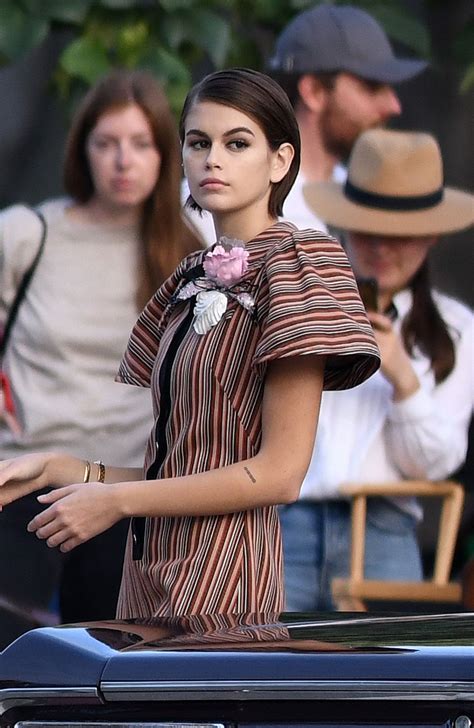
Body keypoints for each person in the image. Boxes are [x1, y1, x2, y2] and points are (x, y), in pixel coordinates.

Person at [0, 68, 380, 618]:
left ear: (280, 160)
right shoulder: (191, 275)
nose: (213, 159)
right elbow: (179, 467)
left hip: (226, 582)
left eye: (237, 143)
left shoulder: (299, 267)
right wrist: (66, 469)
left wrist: (117, 502)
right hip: (149, 571)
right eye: (199, 143)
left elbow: (279, 473)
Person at [0, 69, 202, 628]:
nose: (122, 160)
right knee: (14, 665)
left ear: (167, 154)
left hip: (126, 494)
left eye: (141, 144)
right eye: (106, 143)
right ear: (82, 148)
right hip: (21, 486)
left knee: (110, 675)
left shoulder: (192, 250)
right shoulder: (26, 234)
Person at [279, 127, 474, 611]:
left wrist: (402, 377)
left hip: (385, 529)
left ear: (429, 236)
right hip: (286, 521)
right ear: (344, 225)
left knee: (386, 685)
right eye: (369, 229)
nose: (384, 246)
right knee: (269, 678)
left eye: (401, 235)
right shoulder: (299, 301)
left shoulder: (456, 328)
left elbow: (435, 465)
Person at [267, 2, 427, 232]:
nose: (394, 106)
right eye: (372, 87)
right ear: (315, 92)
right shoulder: (246, 199)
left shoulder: (361, 194)